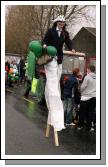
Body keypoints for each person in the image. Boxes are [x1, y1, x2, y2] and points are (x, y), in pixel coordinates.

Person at [42, 15, 75, 131]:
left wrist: (72, 48)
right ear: (56, 22)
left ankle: (55, 92)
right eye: (60, 22)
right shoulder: (50, 31)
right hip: (50, 57)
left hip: (59, 58)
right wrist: (45, 46)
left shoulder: (65, 33)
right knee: (52, 81)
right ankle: (53, 96)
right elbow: (44, 41)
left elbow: (69, 42)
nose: (62, 24)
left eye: (63, 23)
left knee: (56, 79)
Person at [77, 65, 96, 131]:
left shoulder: (87, 77)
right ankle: (89, 127)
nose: (87, 70)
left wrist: (81, 92)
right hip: (94, 97)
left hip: (85, 97)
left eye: (87, 69)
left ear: (89, 70)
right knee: (91, 112)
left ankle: (80, 126)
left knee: (82, 112)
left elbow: (83, 86)